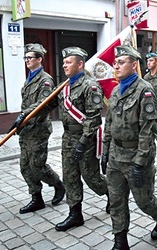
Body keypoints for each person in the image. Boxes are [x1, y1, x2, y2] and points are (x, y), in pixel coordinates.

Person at [101, 44, 157, 249]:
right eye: (115, 63)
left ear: (134, 65)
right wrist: (105, 151)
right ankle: (120, 241)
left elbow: (148, 130)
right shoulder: (115, 90)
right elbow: (109, 123)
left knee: (144, 201)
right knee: (116, 200)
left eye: (121, 62)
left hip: (136, 156)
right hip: (116, 155)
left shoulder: (145, 91)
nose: (116, 66)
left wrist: (140, 162)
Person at [54, 47, 109, 232]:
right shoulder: (64, 86)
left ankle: (111, 193)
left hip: (85, 140)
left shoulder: (90, 86)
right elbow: (46, 103)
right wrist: (25, 116)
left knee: (91, 178)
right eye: (63, 63)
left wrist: (83, 142)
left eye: (68, 62)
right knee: (69, 177)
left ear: (80, 64)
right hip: (67, 137)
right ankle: (75, 214)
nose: (64, 66)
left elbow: (94, 118)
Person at [11, 43, 65, 215]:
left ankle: (58, 185)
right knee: (25, 166)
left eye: (30, 57)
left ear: (39, 59)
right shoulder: (29, 78)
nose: (26, 60)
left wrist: (24, 114)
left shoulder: (45, 80)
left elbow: (42, 105)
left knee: (37, 165)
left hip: (38, 129)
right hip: (26, 129)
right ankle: (36, 198)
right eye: (25, 58)